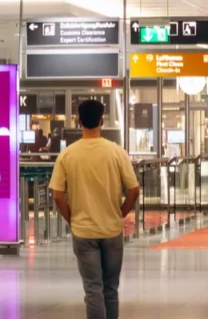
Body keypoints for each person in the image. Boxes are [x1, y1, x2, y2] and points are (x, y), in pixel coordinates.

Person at [49, 100, 140, 319]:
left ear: (79, 121)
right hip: (111, 230)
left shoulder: (67, 155)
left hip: (84, 231)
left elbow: (58, 195)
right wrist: (120, 214)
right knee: (110, 289)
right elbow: (134, 190)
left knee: (93, 289)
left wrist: (72, 219)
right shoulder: (116, 152)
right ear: (101, 121)